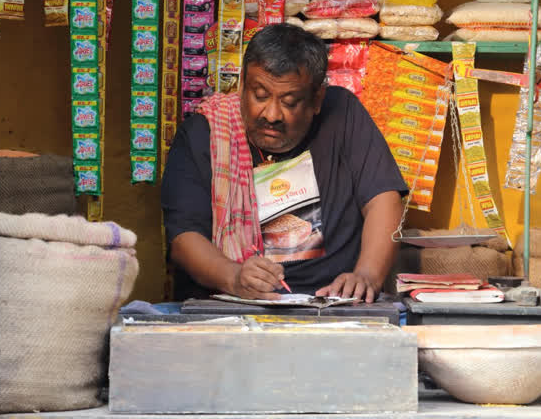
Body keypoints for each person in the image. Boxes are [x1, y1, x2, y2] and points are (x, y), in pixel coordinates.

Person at [162, 24, 407, 303]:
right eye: (260, 95)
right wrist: (234, 277)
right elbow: (184, 237)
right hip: (232, 306)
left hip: (330, 304)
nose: (272, 114)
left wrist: (366, 275)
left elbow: (383, 199)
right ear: (242, 85)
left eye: (289, 102)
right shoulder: (205, 133)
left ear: (317, 99)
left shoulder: (342, 114)